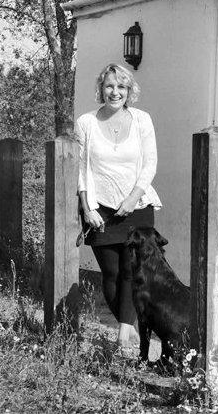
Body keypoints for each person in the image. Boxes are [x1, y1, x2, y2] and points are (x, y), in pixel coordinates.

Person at [75, 63, 162, 352]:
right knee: (111, 275)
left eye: (121, 87)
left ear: (129, 91)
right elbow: (81, 169)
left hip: (137, 206)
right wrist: (88, 208)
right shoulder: (85, 122)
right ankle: (128, 325)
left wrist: (133, 197)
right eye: (110, 86)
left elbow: (149, 163)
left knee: (133, 273)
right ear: (101, 89)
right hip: (100, 209)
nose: (116, 92)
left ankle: (124, 334)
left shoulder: (141, 120)